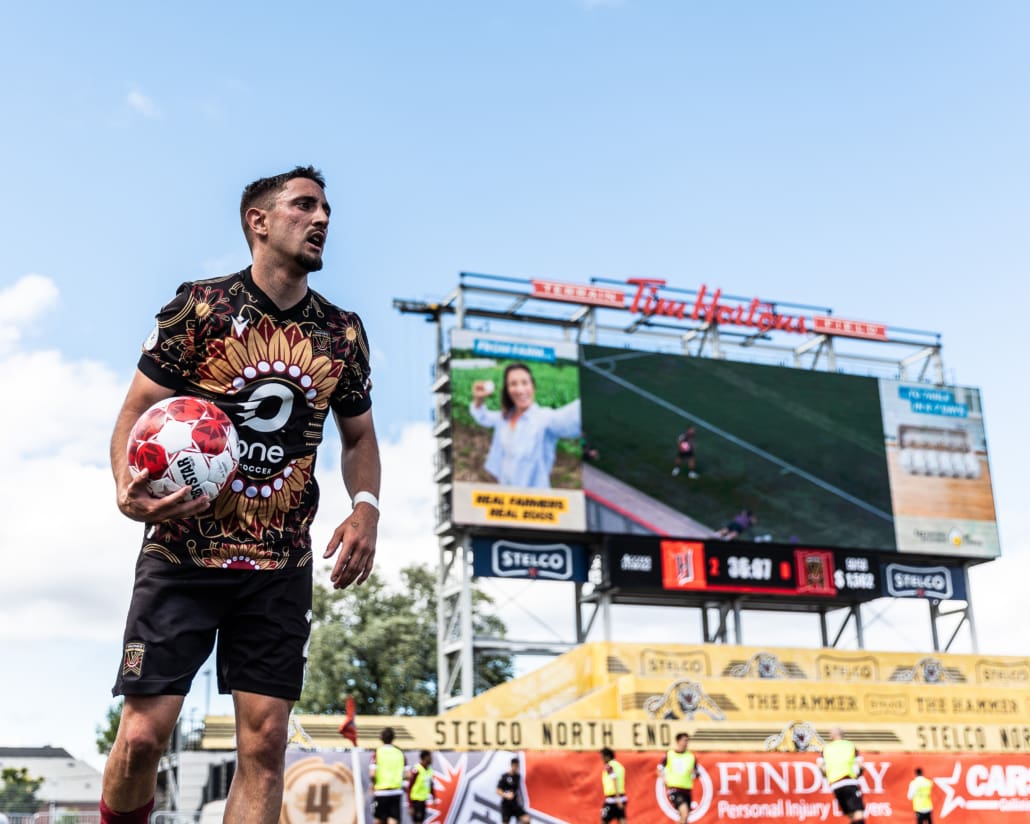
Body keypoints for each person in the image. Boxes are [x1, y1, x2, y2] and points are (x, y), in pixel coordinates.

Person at [99, 166, 381, 824]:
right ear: (258, 221)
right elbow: (135, 410)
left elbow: (359, 436)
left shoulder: (341, 334)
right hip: (181, 558)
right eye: (303, 206)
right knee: (142, 737)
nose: (321, 219)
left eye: (326, 209)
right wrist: (124, 487)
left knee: (265, 743)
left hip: (279, 565)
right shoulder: (198, 309)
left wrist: (366, 506)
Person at [470, 362, 581, 487]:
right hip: (505, 490)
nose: (520, 389)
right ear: (507, 390)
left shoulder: (544, 419)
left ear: (533, 386)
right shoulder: (505, 417)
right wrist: (478, 399)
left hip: (533, 500)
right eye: (513, 384)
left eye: (525, 383)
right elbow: (483, 417)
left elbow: (570, 418)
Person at [817, 727, 866, 822]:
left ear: (832, 736)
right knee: (858, 813)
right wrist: (859, 775)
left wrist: (826, 775)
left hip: (835, 785)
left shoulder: (826, 748)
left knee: (851, 814)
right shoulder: (850, 745)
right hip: (849, 781)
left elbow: (820, 766)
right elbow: (861, 765)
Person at [658, 732, 699, 824]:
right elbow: (659, 768)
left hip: (687, 789)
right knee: (684, 813)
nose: (686, 743)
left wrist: (694, 772)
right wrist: (664, 779)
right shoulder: (670, 754)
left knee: (684, 817)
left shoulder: (691, 756)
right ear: (678, 741)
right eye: (684, 740)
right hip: (675, 789)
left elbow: (697, 773)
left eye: (687, 741)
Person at [371, 727, 407, 824]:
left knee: (378, 819)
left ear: (381, 738)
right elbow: (407, 774)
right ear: (393, 738)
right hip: (396, 791)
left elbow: (372, 774)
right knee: (393, 819)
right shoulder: (400, 753)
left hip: (381, 792)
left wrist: (372, 785)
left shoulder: (377, 752)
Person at [497, 757, 530, 824]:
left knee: (526, 819)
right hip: (506, 804)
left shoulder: (517, 776)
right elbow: (498, 790)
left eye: (517, 766)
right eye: (515, 766)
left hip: (514, 803)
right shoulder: (504, 776)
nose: (516, 768)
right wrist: (505, 795)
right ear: (511, 765)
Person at [600, 747, 628, 822]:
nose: (602, 759)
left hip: (612, 799)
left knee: (604, 820)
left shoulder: (609, 766)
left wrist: (617, 798)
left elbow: (614, 779)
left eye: (602, 757)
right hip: (622, 797)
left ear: (607, 756)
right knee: (621, 819)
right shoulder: (619, 766)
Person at [408, 750, 435, 824]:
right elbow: (409, 787)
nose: (432, 759)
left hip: (423, 800)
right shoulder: (417, 769)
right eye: (430, 757)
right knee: (418, 822)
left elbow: (430, 784)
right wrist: (410, 805)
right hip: (416, 801)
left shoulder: (429, 769)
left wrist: (433, 796)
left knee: (421, 821)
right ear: (425, 757)